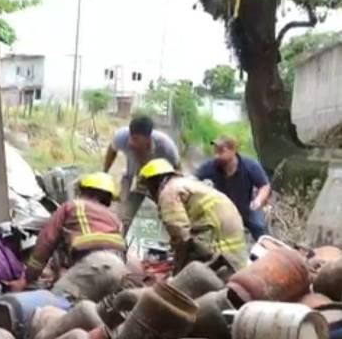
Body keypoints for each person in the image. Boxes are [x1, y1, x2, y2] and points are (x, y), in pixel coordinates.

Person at [26, 172, 127, 301]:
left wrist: (29, 276)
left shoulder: (71, 206)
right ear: (108, 199)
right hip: (120, 271)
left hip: (95, 264)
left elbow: (46, 240)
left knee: (53, 305)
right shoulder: (115, 219)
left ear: (83, 191)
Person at [138, 158, 249, 271]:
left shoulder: (168, 192)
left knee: (203, 262)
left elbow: (180, 233)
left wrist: (178, 268)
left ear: (153, 181)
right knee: (232, 258)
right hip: (229, 219)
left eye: (147, 186)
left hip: (214, 224)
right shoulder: (185, 183)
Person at [103, 115, 181, 232]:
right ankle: (121, 232)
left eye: (136, 139)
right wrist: (105, 172)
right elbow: (112, 150)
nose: (131, 142)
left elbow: (178, 169)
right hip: (130, 177)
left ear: (148, 139)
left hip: (157, 181)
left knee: (164, 214)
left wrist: (172, 192)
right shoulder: (121, 136)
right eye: (131, 137)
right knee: (125, 213)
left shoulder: (165, 145)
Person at [195, 135, 271, 240]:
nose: (217, 156)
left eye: (221, 151)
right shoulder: (210, 166)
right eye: (216, 152)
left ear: (233, 150)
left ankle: (269, 251)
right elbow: (193, 180)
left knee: (259, 227)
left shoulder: (250, 165)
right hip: (222, 210)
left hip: (246, 207)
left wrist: (258, 200)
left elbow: (264, 185)